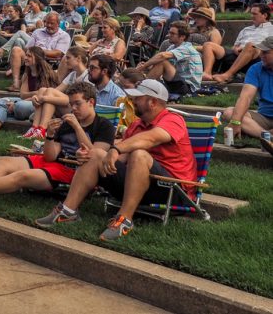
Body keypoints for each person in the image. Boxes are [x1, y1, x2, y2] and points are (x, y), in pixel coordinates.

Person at [35, 79, 197, 241]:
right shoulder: (136, 125)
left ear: (153, 102)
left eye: (138, 98)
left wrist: (116, 149)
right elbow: (120, 157)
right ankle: (68, 211)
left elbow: (152, 138)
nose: (132, 101)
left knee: (139, 154)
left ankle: (124, 220)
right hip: (138, 185)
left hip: (172, 190)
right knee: (96, 153)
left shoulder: (172, 119)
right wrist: (93, 158)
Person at [0, 82, 116, 210]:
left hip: (75, 171)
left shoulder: (104, 126)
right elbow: (50, 156)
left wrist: (78, 127)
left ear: (91, 102)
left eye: (78, 104)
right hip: (56, 163)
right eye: (71, 104)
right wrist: (50, 136)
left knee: (22, 176)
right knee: (5, 162)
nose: (73, 108)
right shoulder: (66, 123)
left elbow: (95, 156)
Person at [0, 46, 59, 135]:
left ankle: (10, 112)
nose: (25, 58)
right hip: (28, 102)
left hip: (40, 106)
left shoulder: (48, 74)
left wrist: (16, 103)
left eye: (29, 56)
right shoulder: (27, 74)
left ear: (38, 58)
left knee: (19, 105)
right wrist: (37, 92)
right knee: (2, 100)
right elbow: (23, 94)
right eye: (26, 55)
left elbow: (44, 97)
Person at [222, 36, 273, 156]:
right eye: (261, 51)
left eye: (266, 52)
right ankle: (268, 136)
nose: (261, 55)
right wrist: (235, 122)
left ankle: (261, 135)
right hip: (264, 116)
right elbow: (246, 96)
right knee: (230, 113)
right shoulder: (256, 69)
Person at [202, 4, 273, 82]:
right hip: (238, 54)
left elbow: (269, 48)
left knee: (250, 45)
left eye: (255, 14)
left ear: (265, 15)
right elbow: (235, 46)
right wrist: (236, 49)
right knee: (208, 45)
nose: (251, 16)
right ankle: (207, 73)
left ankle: (227, 75)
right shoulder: (246, 29)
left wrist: (247, 48)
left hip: (258, 56)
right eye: (251, 13)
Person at [136, 21, 202, 97]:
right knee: (158, 62)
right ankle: (143, 85)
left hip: (189, 88)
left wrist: (144, 66)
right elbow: (158, 63)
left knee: (163, 61)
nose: (168, 35)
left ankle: (143, 88)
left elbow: (162, 56)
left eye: (172, 34)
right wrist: (145, 66)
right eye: (169, 32)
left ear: (182, 37)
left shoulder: (186, 48)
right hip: (177, 83)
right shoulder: (172, 48)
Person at [7, 12, 70, 91]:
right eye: (47, 22)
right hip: (31, 57)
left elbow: (58, 53)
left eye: (52, 23)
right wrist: (34, 52)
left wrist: (38, 51)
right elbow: (28, 48)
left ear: (58, 24)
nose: (49, 25)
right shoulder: (38, 32)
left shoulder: (64, 35)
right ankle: (16, 83)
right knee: (16, 50)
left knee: (31, 55)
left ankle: (25, 82)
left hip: (49, 61)